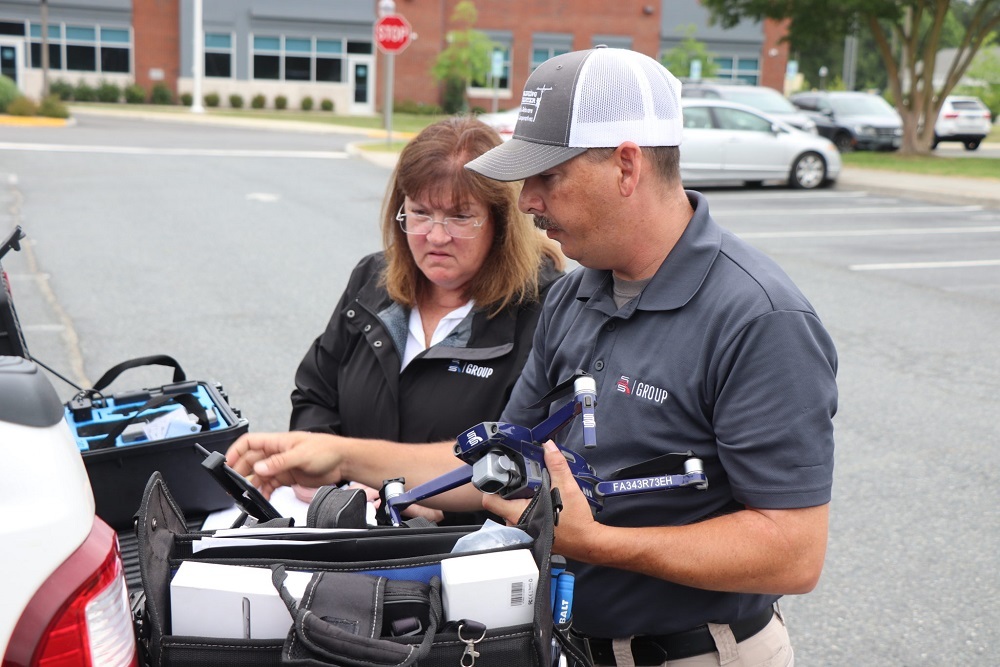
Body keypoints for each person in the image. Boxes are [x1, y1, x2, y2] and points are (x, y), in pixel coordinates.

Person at [228, 48, 837, 667]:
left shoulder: (759, 318)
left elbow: (793, 551)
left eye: (548, 177)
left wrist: (598, 543)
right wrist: (343, 460)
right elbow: (498, 463)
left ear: (627, 165)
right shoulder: (576, 293)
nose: (526, 202)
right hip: (568, 644)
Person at [283, 115, 564, 524]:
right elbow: (315, 396)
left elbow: (528, 460)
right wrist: (338, 484)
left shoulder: (544, 310)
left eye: (460, 217)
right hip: (351, 533)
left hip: (468, 558)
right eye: (419, 212)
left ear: (501, 224)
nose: (435, 236)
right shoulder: (370, 282)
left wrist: (429, 498)